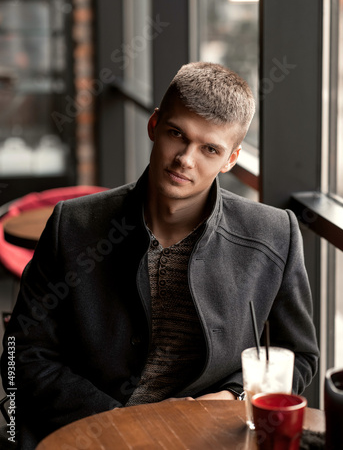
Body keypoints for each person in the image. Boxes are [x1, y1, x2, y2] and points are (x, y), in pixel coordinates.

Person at [1, 62, 319, 449]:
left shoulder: (274, 234)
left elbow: (298, 356)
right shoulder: (73, 225)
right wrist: (124, 426)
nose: (186, 158)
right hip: (91, 436)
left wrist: (230, 398)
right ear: (154, 126)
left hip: (209, 439)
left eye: (209, 149)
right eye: (176, 134)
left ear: (231, 158)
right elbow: (22, 353)